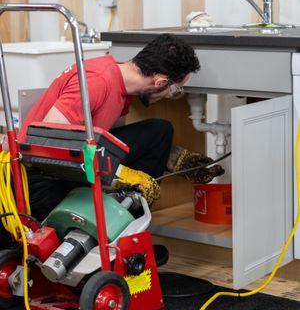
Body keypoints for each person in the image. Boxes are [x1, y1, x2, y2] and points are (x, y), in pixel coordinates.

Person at [15, 33, 224, 221]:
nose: (172, 95)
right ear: (160, 82)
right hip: (38, 179)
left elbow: (106, 139)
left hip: (70, 162)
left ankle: (128, 229)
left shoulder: (121, 83)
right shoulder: (97, 82)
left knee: (160, 132)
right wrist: (117, 174)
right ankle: (115, 236)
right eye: (175, 89)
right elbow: (48, 145)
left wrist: (171, 157)